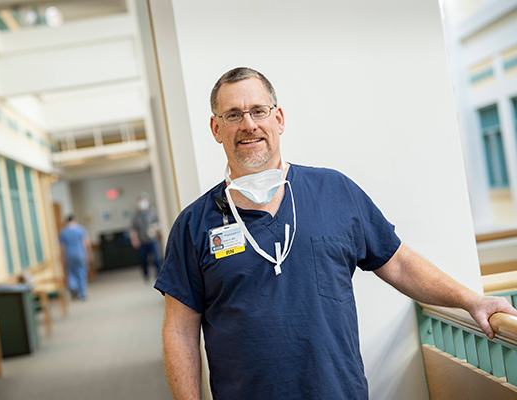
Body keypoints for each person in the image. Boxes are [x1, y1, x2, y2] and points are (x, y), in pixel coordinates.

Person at [154, 67, 517, 400]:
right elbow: (180, 332)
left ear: (278, 119)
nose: (248, 124)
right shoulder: (194, 225)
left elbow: (400, 263)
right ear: (216, 129)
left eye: (259, 111)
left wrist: (473, 301)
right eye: (233, 115)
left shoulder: (335, 192)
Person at [59, 215, 92, 300]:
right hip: (80, 254)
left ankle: (73, 286)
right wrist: (89, 254)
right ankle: (82, 294)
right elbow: (86, 243)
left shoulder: (63, 232)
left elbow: (62, 247)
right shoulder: (80, 229)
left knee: (71, 272)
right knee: (81, 272)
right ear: (75, 220)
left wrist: (63, 257)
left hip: (69, 255)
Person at [130, 193, 162, 281]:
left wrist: (155, 228)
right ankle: (146, 275)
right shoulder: (136, 215)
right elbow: (133, 229)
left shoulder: (152, 212)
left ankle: (158, 274)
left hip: (153, 239)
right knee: (143, 259)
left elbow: (158, 223)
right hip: (142, 240)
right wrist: (134, 240)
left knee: (157, 258)